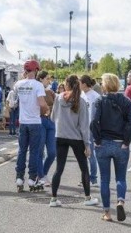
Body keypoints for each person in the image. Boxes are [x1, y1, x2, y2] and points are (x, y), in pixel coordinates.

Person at [91, 73, 131, 222]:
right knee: (121, 177)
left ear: (104, 85)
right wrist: (126, 141)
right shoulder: (127, 102)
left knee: (104, 179)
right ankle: (120, 201)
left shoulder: (99, 101)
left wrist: (97, 140)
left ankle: (107, 213)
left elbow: (93, 122)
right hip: (120, 144)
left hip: (103, 143)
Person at [49, 75, 98, 207]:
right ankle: (87, 198)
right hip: (76, 137)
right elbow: (84, 125)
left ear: (66, 85)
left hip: (60, 136)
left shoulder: (58, 98)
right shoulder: (81, 101)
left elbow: (53, 118)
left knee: (59, 168)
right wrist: (87, 144)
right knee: (84, 168)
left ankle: (53, 199)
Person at [14, 60, 49, 192]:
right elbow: (41, 103)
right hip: (35, 122)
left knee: (22, 150)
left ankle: (19, 177)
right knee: (34, 151)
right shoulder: (38, 85)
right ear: (37, 70)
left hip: (23, 122)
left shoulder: (18, 84)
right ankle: (31, 178)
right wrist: (47, 109)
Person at [79, 75, 100, 187]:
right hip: (80, 128)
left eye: (80, 83)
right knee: (82, 154)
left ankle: (93, 178)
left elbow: (96, 115)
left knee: (90, 153)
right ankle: (84, 177)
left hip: (90, 128)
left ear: (85, 84)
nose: (78, 85)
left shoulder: (95, 96)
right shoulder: (81, 94)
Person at [36, 70, 57, 187]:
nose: (49, 81)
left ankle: (43, 173)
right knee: (39, 151)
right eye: (47, 78)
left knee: (52, 152)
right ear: (41, 79)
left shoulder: (50, 92)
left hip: (51, 121)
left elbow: (56, 105)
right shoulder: (36, 91)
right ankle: (41, 176)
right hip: (40, 121)